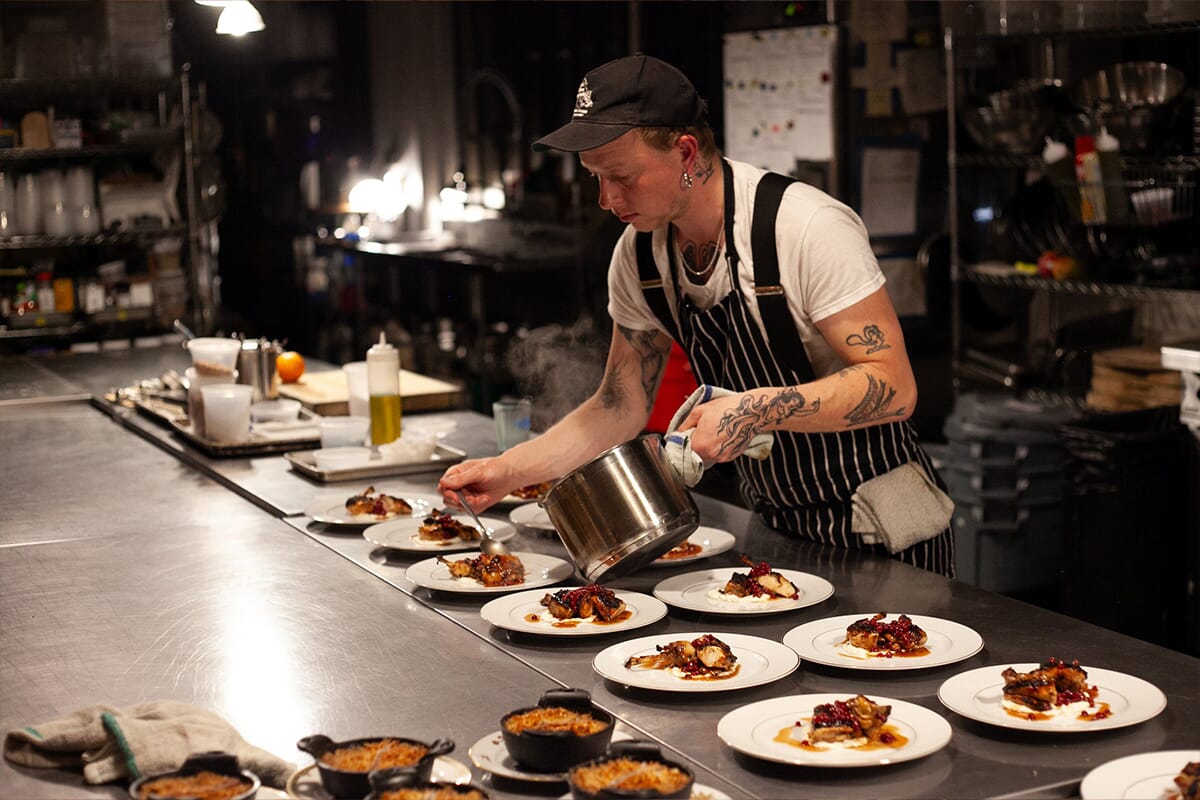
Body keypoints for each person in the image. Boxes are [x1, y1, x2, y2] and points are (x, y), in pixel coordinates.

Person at [439, 54, 954, 576]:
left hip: (885, 533)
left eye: (621, 176)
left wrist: (757, 408)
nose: (606, 199)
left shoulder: (804, 227)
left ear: (685, 152)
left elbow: (893, 386)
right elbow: (618, 405)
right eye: (595, 178)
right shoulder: (641, 257)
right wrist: (507, 469)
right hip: (778, 527)